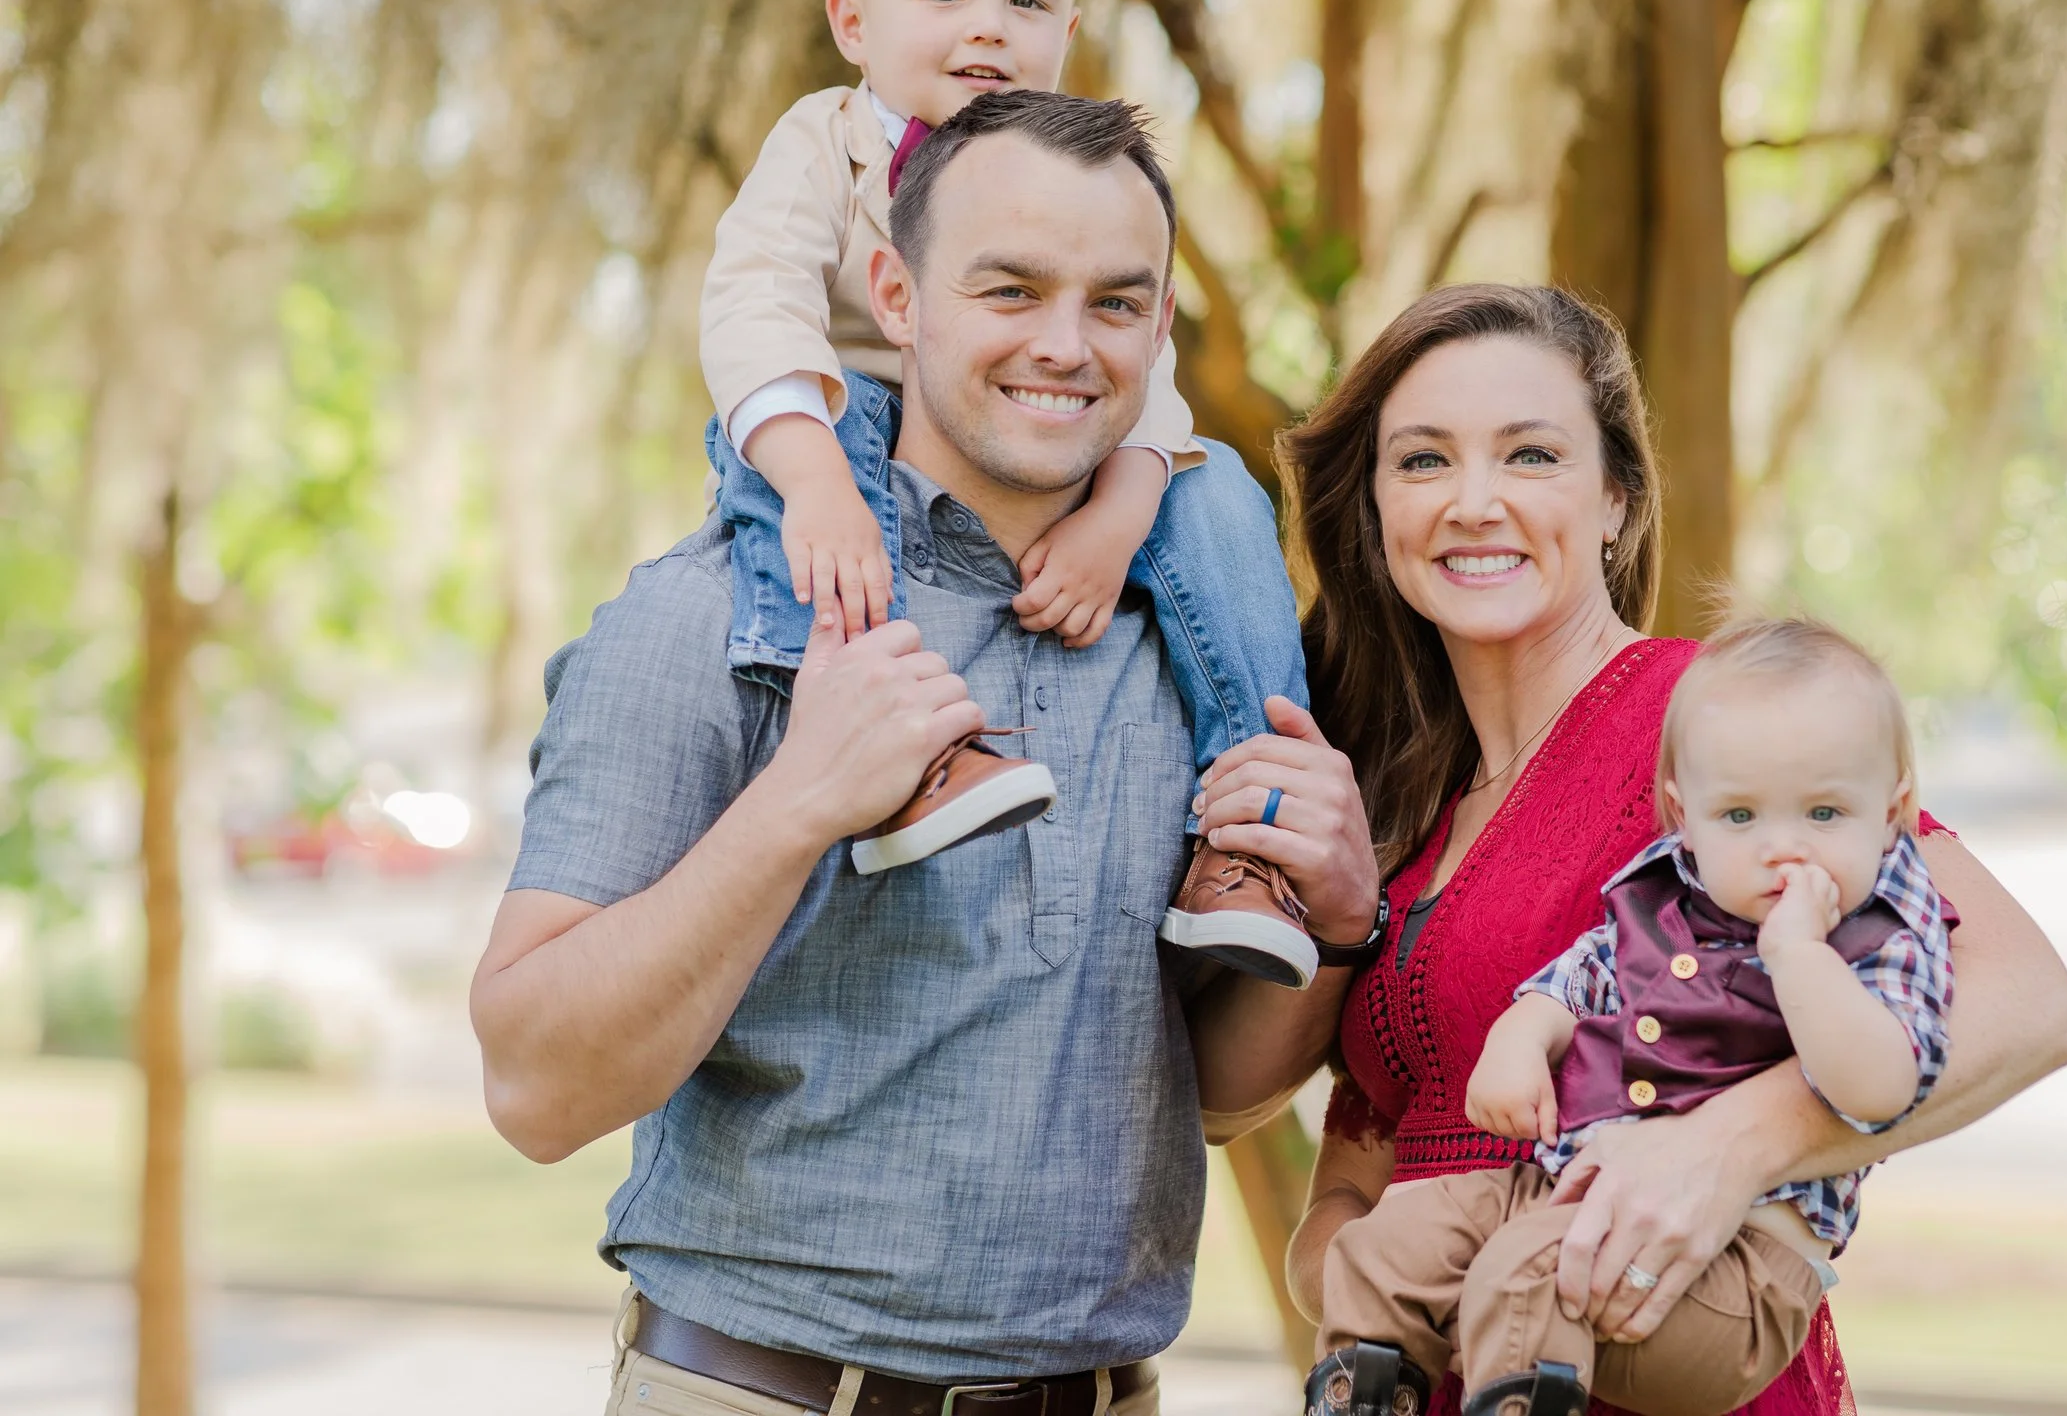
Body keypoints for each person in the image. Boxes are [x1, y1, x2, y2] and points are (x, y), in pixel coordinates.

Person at [470, 91, 1387, 1416]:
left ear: (1161, 325)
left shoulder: (1202, 646)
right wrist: (798, 805)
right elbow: (536, 1090)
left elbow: (1210, 1099)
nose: (1066, 346)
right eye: (1010, 290)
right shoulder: (709, 616)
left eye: (1116, 305)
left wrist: (1341, 927)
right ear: (895, 294)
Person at [1262, 284, 2067, 1416]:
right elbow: (1353, 1175)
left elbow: (2031, 1000)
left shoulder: (1703, 731)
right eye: (1421, 461)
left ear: (1614, 500)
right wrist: (1352, 1272)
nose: (1473, 501)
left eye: (1530, 455)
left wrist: (1732, 1147)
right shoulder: (1399, 806)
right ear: (1372, 510)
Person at [698, 0, 1316, 981]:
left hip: (1033, 447)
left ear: (1067, 35)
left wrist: (1116, 520)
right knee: (798, 429)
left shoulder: (1069, 178)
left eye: (1026, 1)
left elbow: (1148, 386)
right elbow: (752, 302)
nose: (988, 24)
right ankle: (898, 749)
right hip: (840, 432)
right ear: (853, 22)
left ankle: (1253, 829)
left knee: (1222, 487)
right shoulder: (820, 145)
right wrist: (815, 481)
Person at [1313, 616, 1958, 1416]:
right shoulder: (1667, 893)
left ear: (1893, 811)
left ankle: (1521, 1403)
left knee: (1523, 1273)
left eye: (1824, 814)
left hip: (1729, 1271)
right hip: (1558, 1195)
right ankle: (1364, 1395)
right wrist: (1521, 1034)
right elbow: (1577, 977)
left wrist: (1798, 956)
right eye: (1741, 817)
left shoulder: (1885, 926)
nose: (1782, 849)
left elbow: (1883, 1085)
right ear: (1685, 816)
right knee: (1387, 1246)